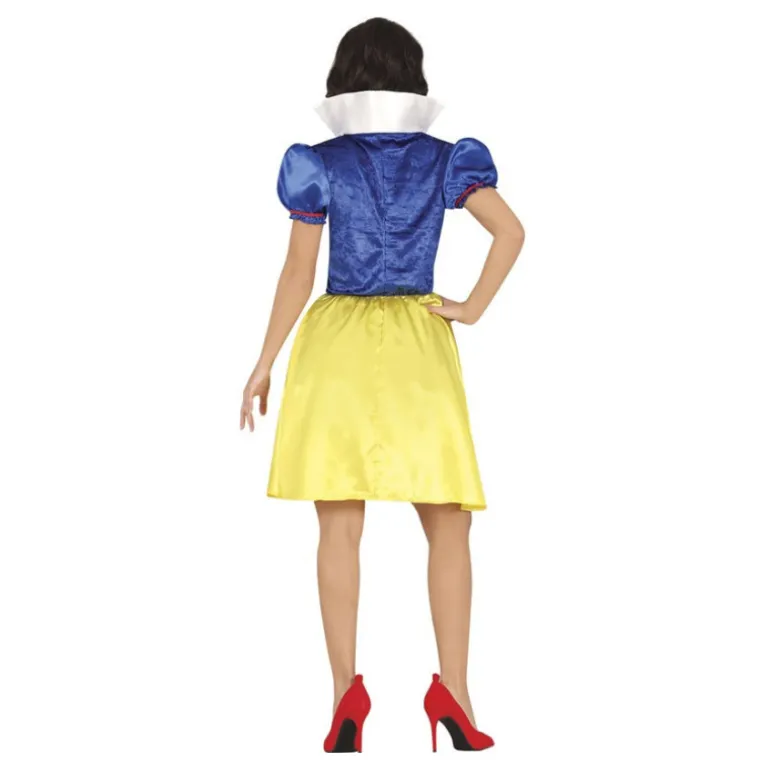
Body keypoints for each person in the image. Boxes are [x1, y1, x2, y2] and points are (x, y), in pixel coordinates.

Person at [240, 17, 525, 753]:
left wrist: (265, 360)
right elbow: (512, 232)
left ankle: (346, 695)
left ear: (343, 81)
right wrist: (470, 308)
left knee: (339, 523)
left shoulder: (319, 163)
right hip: (418, 341)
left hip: (335, 343)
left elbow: (299, 271)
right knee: (449, 521)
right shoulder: (446, 160)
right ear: (413, 78)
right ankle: (455, 692)